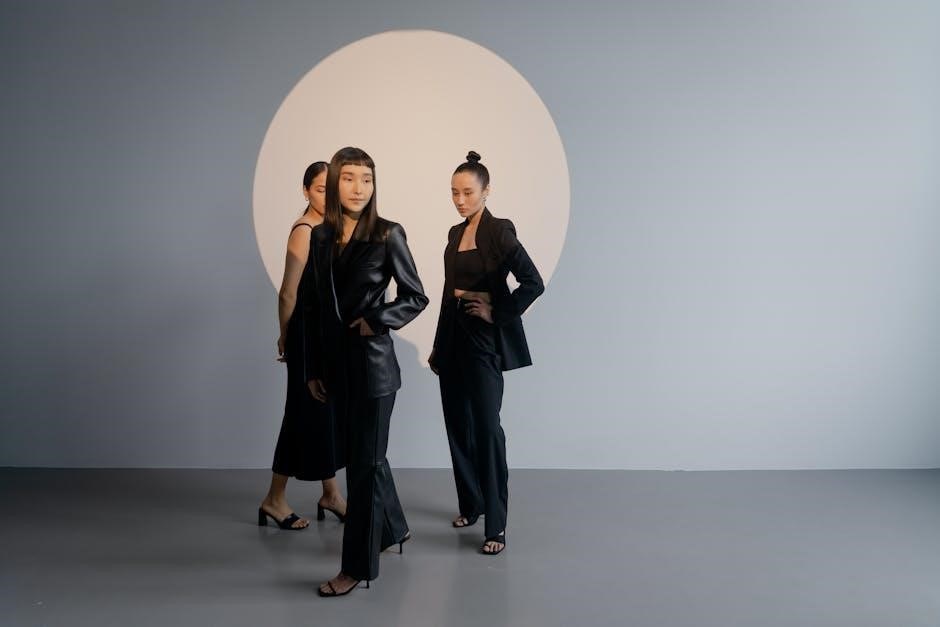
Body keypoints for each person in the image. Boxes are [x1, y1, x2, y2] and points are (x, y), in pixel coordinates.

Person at [306, 147, 428, 596]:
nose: (359, 188)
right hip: (336, 369)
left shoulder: (388, 233)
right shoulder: (320, 236)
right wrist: (314, 368)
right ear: (335, 182)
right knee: (365, 457)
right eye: (350, 178)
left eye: (367, 179)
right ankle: (394, 529)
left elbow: (415, 296)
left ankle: (356, 569)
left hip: (375, 371)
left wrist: (377, 319)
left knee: (364, 467)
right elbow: (316, 307)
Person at [429, 151, 544, 555]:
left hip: (482, 341)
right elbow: (448, 294)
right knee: (457, 427)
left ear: (486, 191)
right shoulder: (453, 233)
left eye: (467, 192)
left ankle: (496, 525)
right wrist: (438, 346)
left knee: (488, 430)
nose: (460, 200)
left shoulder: (499, 232)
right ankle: (471, 505)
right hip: (453, 339)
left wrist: (496, 311)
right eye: (454, 192)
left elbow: (533, 282)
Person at [258, 162, 346, 531]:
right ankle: (274, 499)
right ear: (306, 190)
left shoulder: (330, 229)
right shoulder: (305, 231)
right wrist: (285, 335)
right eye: (321, 189)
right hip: (305, 337)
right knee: (300, 414)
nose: (328, 196)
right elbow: (288, 292)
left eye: (332, 189)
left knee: (323, 412)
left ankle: (331, 494)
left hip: (324, 336)